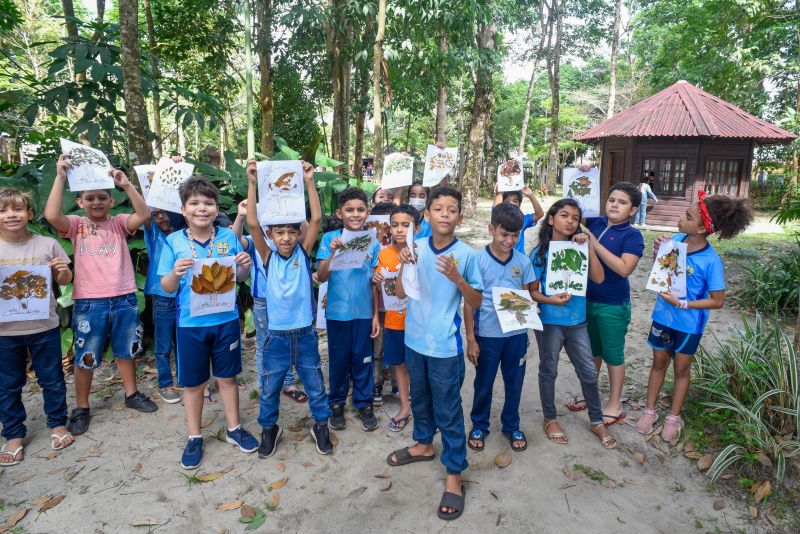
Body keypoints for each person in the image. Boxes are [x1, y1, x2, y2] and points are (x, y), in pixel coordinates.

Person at [386, 186, 483, 521]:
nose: (445, 214)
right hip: (414, 341)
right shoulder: (414, 247)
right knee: (421, 399)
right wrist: (403, 264)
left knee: (448, 409)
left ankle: (454, 472)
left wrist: (458, 279)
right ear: (426, 215)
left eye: (451, 210)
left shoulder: (467, 255)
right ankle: (424, 444)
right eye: (438, 209)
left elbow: (476, 302)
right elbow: (401, 293)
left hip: (445, 347)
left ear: (460, 217)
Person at [45, 155, 158, 437]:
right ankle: (82, 407)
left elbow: (144, 216)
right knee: (86, 354)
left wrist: (127, 185)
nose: (96, 202)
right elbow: (52, 216)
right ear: (80, 202)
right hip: (89, 302)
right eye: (90, 198)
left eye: (102, 197)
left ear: (111, 200)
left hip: (124, 298)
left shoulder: (119, 222)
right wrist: (60, 177)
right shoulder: (76, 225)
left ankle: (131, 394)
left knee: (127, 349)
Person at [158, 176, 257, 469]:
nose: (202, 208)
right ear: (183, 210)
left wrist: (244, 267)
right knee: (193, 383)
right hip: (190, 325)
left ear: (216, 208)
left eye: (208, 203)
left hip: (226, 321)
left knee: (228, 378)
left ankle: (234, 429)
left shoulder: (227, 237)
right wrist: (175, 273)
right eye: (194, 203)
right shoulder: (173, 242)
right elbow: (166, 287)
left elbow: (239, 278)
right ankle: (194, 437)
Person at [637, 192, 752, 441]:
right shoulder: (675, 241)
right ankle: (649, 410)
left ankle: (673, 416)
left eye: (687, 216)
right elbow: (664, 274)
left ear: (701, 228)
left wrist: (683, 303)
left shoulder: (711, 262)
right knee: (658, 361)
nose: (680, 218)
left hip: (689, 325)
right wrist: (659, 252)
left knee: (681, 368)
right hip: (663, 317)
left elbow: (717, 300)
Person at [244, 159, 334, 457]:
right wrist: (253, 182)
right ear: (271, 235)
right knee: (270, 388)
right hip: (276, 337)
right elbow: (253, 223)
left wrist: (309, 180)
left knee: (315, 384)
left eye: (291, 232)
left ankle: (321, 425)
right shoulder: (267, 256)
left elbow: (316, 218)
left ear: (298, 233)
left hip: (305, 334)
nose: (285, 237)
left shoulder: (303, 252)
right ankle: (269, 428)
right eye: (279, 232)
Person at [528, 199, 616, 449]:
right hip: (549, 322)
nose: (570, 221)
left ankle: (596, 420)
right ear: (551, 219)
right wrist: (550, 300)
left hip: (578, 322)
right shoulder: (539, 254)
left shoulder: (579, 248)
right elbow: (532, 292)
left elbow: (598, 277)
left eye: (575, 218)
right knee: (549, 370)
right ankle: (550, 418)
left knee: (588, 371)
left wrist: (588, 247)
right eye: (564, 215)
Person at [0, 188, 74, 467]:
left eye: (17, 209)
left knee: (52, 378)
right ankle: (14, 435)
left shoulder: (47, 244)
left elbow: (65, 280)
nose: (11, 215)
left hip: (44, 326)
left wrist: (62, 271)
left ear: (30, 214)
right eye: (3, 210)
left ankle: (57, 423)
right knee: (8, 385)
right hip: (4, 332)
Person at [464, 202, 535, 453]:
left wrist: (530, 311)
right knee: (484, 382)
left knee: (514, 382)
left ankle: (511, 424)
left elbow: (526, 296)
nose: (509, 241)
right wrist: (471, 339)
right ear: (491, 229)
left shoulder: (523, 262)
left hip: (516, 335)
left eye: (515, 235)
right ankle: (479, 424)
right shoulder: (478, 261)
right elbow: (469, 303)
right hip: (487, 335)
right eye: (504, 234)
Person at [577, 183, 644, 426]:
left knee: (612, 354)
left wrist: (594, 244)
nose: (615, 205)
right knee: (592, 352)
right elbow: (571, 205)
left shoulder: (632, 236)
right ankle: (589, 394)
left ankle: (615, 403)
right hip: (587, 300)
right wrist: (584, 175)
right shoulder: (595, 222)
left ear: (633, 210)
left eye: (622, 202)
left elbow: (624, 269)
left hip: (613, 305)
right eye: (612, 199)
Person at [316, 188, 381, 432]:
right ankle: (336, 403)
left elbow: (374, 283)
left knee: (363, 359)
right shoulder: (329, 239)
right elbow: (322, 276)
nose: (355, 214)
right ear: (339, 212)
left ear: (368, 212)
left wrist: (376, 315)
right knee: (339, 360)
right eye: (349, 210)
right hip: (337, 313)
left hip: (363, 313)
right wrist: (334, 252)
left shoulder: (373, 242)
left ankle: (364, 403)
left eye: (360, 210)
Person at [230, 200, 307, 404]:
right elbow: (233, 240)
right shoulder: (256, 240)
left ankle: (288, 384)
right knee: (264, 343)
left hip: (287, 301)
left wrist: (294, 203)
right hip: (263, 300)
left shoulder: (287, 238)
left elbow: (307, 230)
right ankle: (265, 386)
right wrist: (241, 216)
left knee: (287, 342)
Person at [371, 203, 420, 432]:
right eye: (395, 225)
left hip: (420, 321)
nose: (400, 229)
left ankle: (421, 404)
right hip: (394, 320)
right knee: (399, 363)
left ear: (417, 228)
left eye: (406, 225)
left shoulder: (424, 252)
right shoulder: (383, 254)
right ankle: (405, 407)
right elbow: (377, 286)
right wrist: (376, 279)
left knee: (419, 364)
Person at [144, 208, 182, 403]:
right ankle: (165, 384)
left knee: (183, 342)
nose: (160, 217)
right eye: (155, 214)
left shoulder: (184, 234)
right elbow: (143, 213)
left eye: (164, 212)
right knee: (163, 344)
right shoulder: (154, 233)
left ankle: (185, 380)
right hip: (162, 297)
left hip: (185, 296)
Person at [368, 202, 397, 406]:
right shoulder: (371, 248)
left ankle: (398, 385)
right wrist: (375, 315)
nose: (386, 229)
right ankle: (376, 384)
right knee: (377, 350)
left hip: (398, 309)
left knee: (397, 348)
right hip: (378, 307)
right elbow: (372, 282)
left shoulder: (403, 248)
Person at [493, 187, 544, 254]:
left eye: (515, 201)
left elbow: (539, 214)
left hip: (519, 258)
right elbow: (496, 209)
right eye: (507, 201)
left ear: (519, 205)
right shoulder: (498, 219)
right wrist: (499, 194)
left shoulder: (523, 220)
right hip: (501, 257)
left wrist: (531, 196)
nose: (512, 203)